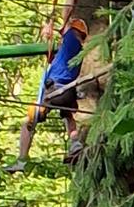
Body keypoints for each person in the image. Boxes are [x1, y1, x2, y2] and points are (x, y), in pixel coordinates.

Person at [18, 10, 88, 162]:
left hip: (55, 89)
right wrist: (48, 35)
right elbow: (54, 60)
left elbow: (67, 12)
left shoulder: (70, 39)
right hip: (68, 91)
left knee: (29, 120)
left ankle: (22, 159)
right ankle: (75, 144)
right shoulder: (76, 50)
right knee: (68, 117)